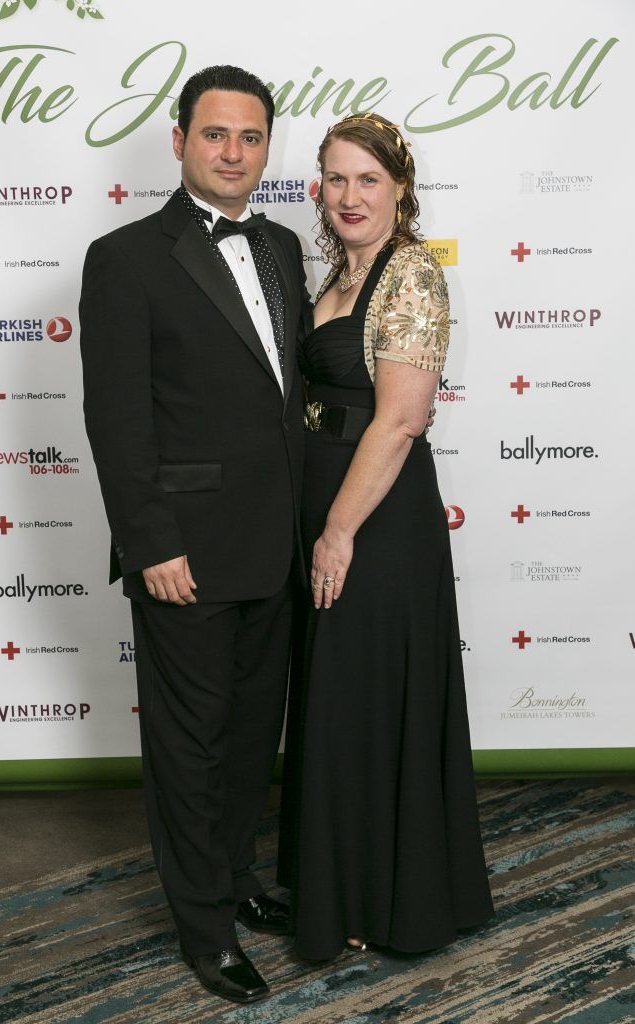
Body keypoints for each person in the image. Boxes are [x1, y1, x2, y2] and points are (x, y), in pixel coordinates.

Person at [79, 66, 310, 1005]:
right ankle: (203, 928)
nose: (233, 153)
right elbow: (117, 419)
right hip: (184, 553)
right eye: (215, 135)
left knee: (254, 738)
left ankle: (239, 880)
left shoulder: (288, 246)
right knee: (190, 746)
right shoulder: (124, 257)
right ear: (178, 140)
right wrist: (150, 544)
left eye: (250, 138)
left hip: (277, 544)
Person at [277, 112, 494, 961]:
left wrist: (335, 532)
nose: (349, 195)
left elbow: (400, 419)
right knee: (340, 704)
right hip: (323, 508)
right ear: (317, 190)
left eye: (368, 179)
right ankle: (343, 887)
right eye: (335, 178)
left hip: (374, 519)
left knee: (369, 703)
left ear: (400, 189)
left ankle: (380, 900)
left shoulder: (409, 276)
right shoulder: (332, 274)